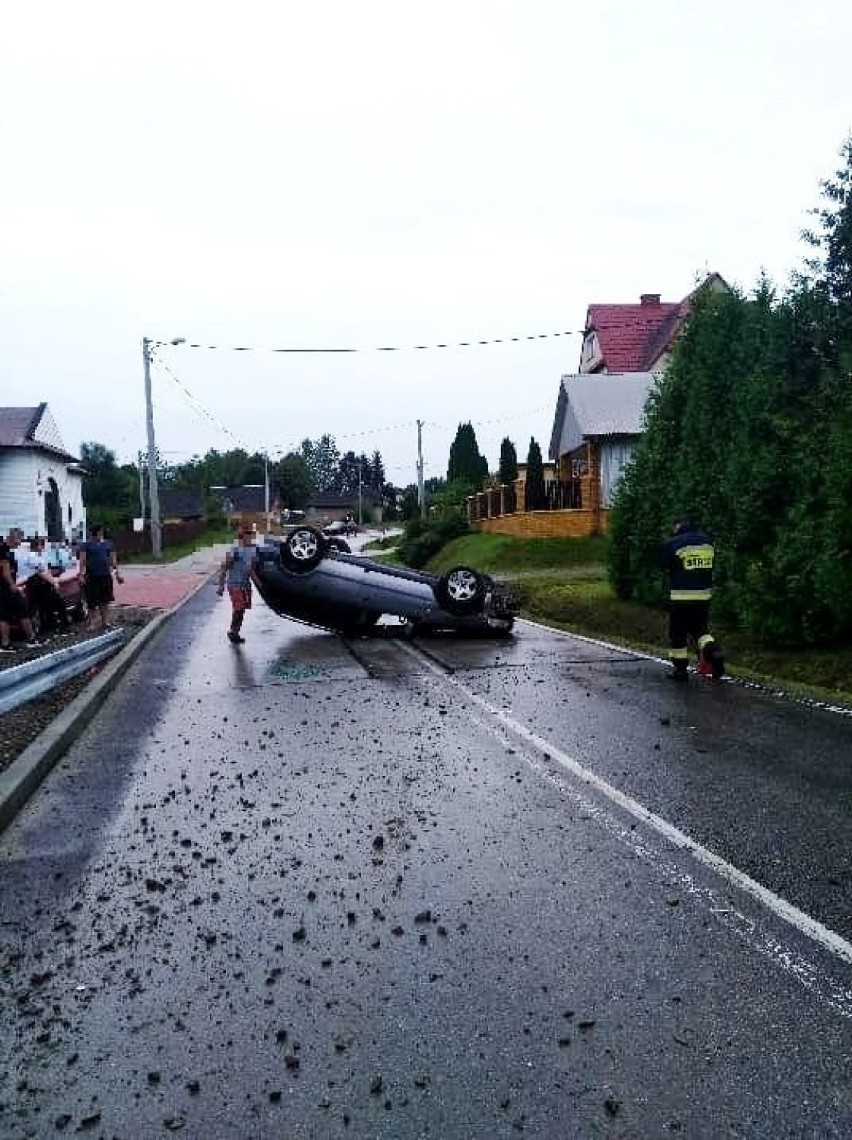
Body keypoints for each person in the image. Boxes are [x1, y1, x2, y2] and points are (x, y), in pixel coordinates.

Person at [660, 516, 725, 682]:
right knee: (701, 631)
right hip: (703, 597)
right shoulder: (707, 543)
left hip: (681, 598)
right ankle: (714, 653)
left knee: (678, 633)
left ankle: (680, 671)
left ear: (678, 526)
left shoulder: (674, 543)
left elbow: (663, 563)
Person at [16, 536, 72, 637]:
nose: (44, 547)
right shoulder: (35, 557)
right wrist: (53, 582)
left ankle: (46, 628)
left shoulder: (25, 556)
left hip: (30, 584)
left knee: (41, 608)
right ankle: (63, 628)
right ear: (39, 546)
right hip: (40, 583)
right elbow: (42, 572)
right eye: (43, 544)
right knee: (58, 605)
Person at [0, 529, 44, 652]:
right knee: (20, 611)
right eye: (19, 540)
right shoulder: (3, 551)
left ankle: (6, 643)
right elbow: (5, 571)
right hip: (6, 588)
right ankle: (30, 639)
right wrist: (12, 585)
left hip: (6, 587)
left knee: (5, 615)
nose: (19, 543)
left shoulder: (8, 551)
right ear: (13, 537)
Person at [216, 527, 262, 644]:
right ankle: (232, 630)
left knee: (242, 611)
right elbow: (224, 567)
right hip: (234, 584)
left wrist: (260, 585)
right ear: (241, 537)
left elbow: (251, 570)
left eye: (251, 534)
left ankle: (235, 632)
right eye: (247, 534)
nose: (250, 537)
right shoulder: (234, 550)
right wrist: (221, 586)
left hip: (245, 585)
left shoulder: (253, 550)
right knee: (239, 608)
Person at [78, 524, 123, 631]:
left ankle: (105, 622)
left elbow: (113, 560)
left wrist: (117, 574)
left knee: (105, 600)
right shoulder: (86, 545)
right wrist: (81, 575)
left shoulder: (108, 544)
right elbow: (82, 561)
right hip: (91, 576)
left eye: (102, 532)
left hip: (105, 576)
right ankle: (93, 623)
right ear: (95, 533)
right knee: (91, 601)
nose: (101, 534)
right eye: (99, 532)